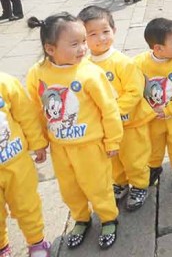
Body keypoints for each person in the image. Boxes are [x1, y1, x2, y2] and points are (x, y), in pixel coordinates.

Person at [26, 13, 123, 250]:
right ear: (50, 48)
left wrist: (113, 140)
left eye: (83, 41)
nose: (83, 48)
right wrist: (38, 143)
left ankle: (109, 218)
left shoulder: (90, 73)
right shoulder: (37, 74)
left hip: (90, 146)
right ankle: (81, 218)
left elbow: (109, 109)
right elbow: (36, 111)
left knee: (98, 184)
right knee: (69, 188)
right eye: (74, 44)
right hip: (60, 147)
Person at [78, 6, 156, 210]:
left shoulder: (122, 62)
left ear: (114, 30)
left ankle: (140, 185)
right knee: (113, 159)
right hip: (105, 128)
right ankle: (120, 183)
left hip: (130, 123)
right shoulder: (84, 66)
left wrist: (112, 113)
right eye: (92, 34)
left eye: (105, 31)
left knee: (134, 157)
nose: (101, 38)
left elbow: (134, 92)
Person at [133, 18, 172, 192]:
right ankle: (154, 167)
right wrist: (147, 110)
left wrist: (169, 109)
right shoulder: (139, 63)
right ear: (158, 48)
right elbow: (133, 87)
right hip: (152, 117)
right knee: (153, 144)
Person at [0, 72, 51, 257]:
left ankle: (36, 241)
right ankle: (2, 245)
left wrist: (37, 143)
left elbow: (26, 116)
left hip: (16, 163)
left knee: (27, 204)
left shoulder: (5, 83)